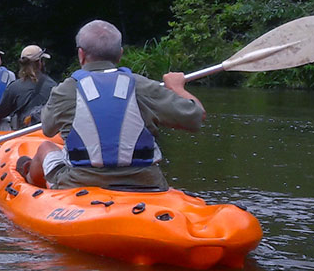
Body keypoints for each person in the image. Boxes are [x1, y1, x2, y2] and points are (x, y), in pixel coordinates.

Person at [22, 20, 205, 191]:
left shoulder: (66, 90)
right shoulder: (143, 86)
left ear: (81, 54)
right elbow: (196, 118)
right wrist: (177, 88)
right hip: (146, 184)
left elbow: (47, 129)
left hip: (79, 184)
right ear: (120, 54)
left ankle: (30, 184)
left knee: (46, 147)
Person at [0, 45, 58, 130]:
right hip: (48, 134)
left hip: (24, 135)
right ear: (40, 62)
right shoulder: (53, 86)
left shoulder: (14, 87)